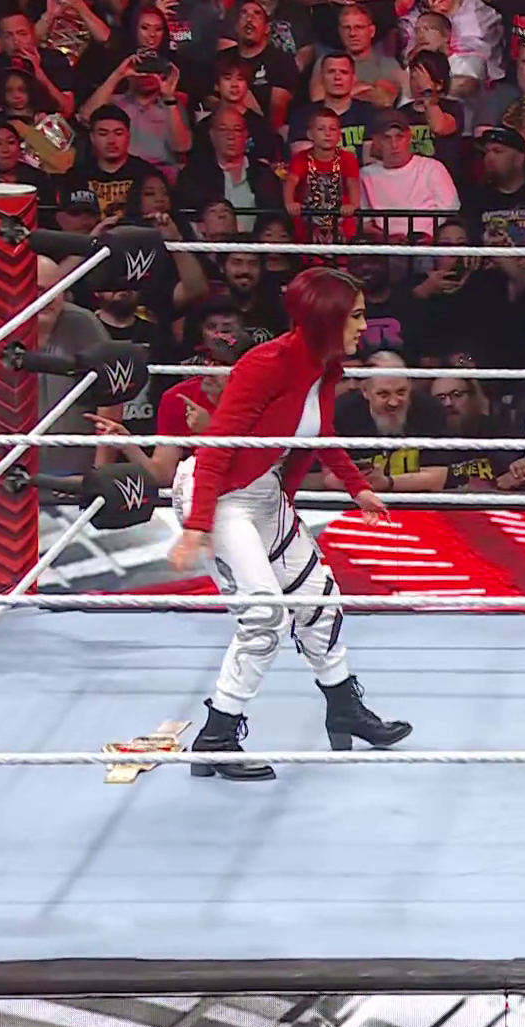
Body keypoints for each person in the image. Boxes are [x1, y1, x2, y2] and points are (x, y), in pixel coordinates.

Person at [168, 267, 411, 783]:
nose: (363, 327)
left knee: (320, 599)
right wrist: (197, 525)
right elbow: (217, 448)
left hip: (263, 493)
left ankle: (344, 707)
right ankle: (216, 737)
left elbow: (321, 430)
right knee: (264, 616)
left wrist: (356, 487)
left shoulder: (325, 364)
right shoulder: (266, 364)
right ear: (328, 318)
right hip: (220, 496)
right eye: (356, 316)